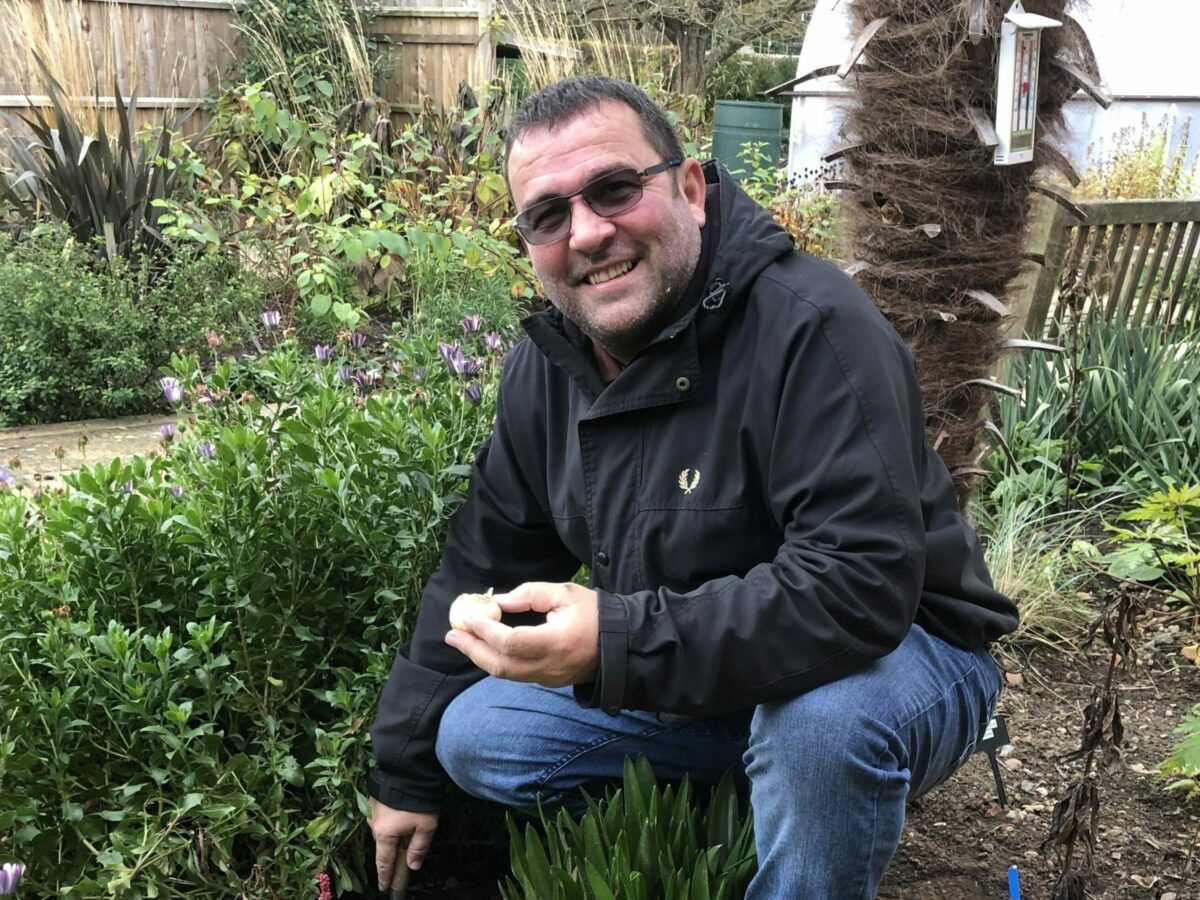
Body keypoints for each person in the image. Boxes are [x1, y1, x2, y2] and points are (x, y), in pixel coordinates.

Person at [367, 76, 1019, 898]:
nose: (587, 233)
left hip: (902, 654)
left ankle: (815, 802)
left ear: (690, 189)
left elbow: (861, 588)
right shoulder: (548, 369)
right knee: (475, 733)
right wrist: (404, 770)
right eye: (548, 215)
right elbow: (481, 562)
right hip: (708, 673)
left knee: (821, 732)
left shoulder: (813, 327)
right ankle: (762, 806)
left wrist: (615, 643)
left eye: (614, 189)